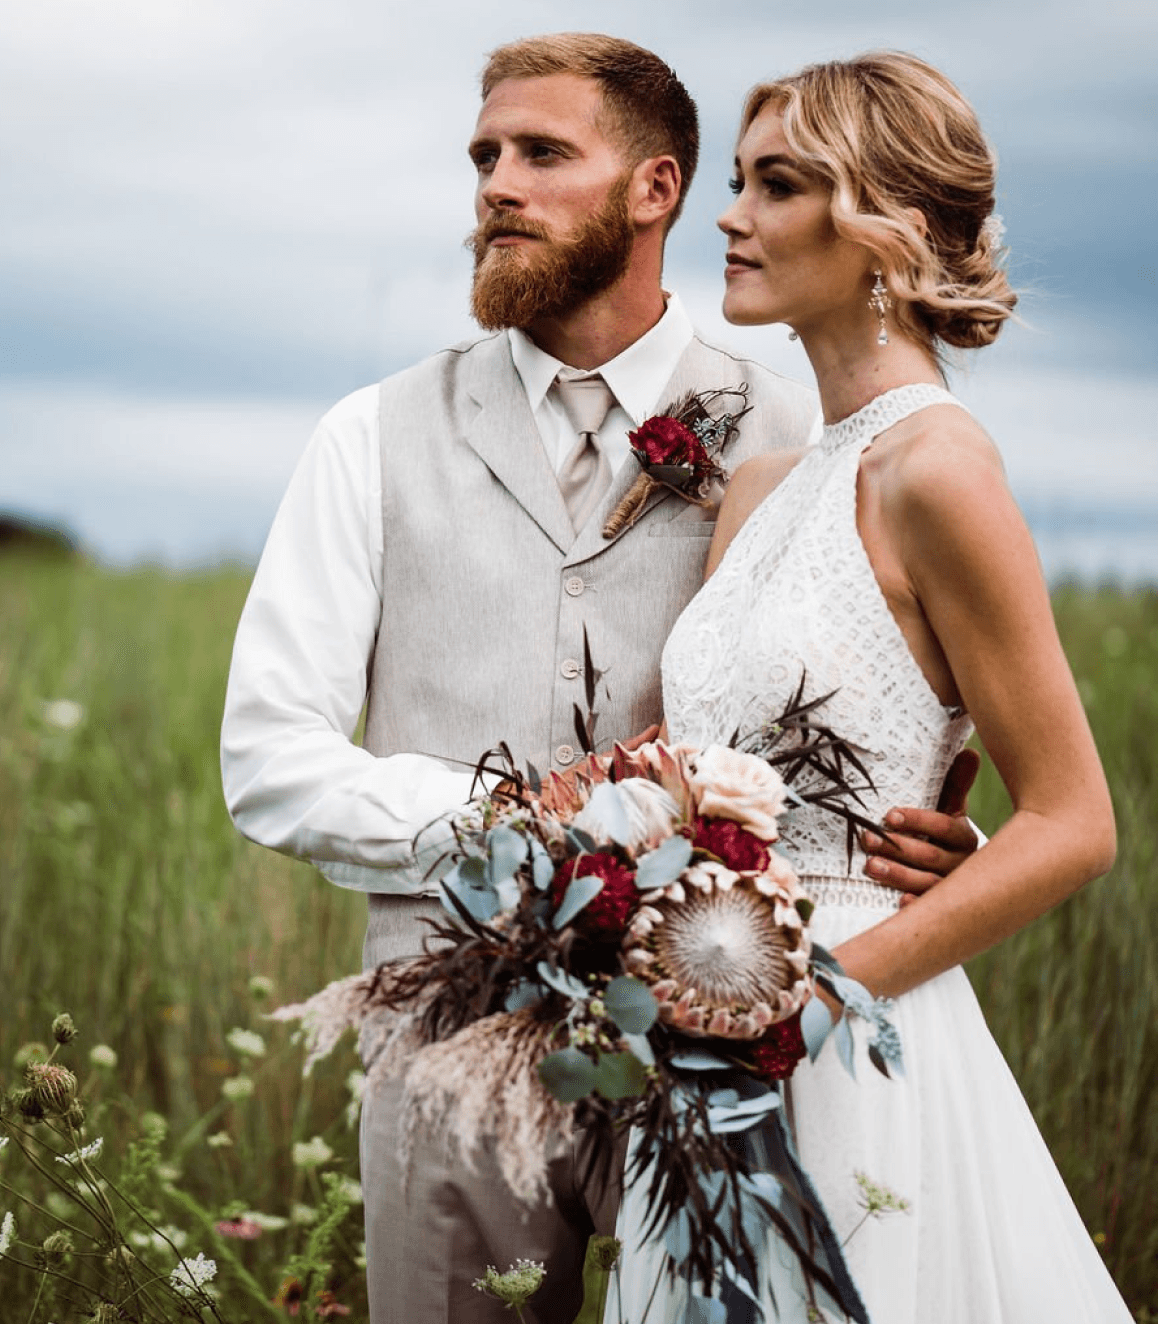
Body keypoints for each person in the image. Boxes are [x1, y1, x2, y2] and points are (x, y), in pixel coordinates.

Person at [220, 36, 979, 1324]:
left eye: (541, 154)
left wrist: (918, 826)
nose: (495, 187)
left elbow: (897, 685)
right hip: (447, 1039)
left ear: (655, 189)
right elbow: (270, 760)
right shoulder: (369, 435)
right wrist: (527, 831)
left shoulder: (795, 435)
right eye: (483, 157)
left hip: (726, 1040)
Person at [614, 50, 1131, 1324]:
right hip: (700, 1024)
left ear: (885, 227)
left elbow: (1073, 822)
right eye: (735, 182)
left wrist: (813, 1000)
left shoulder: (939, 473)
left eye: (775, 186)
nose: (726, 216)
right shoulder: (756, 488)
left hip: (849, 1020)